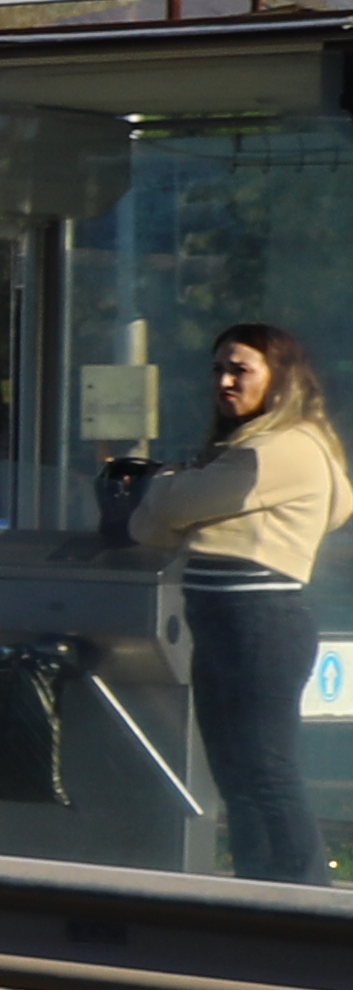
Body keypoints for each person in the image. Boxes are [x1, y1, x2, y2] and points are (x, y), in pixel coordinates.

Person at [114, 319, 344, 889]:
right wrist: (172, 501)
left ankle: (304, 899)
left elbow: (167, 510)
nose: (225, 381)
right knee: (234, 773)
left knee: (266, 771)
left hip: (260, 622)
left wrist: (166, 488)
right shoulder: (245, 447)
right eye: (218, 368)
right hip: (220, 620)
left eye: (240, 369)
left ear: (280, 377)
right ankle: (256, 893)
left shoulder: (280, 448)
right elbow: (153, 528)